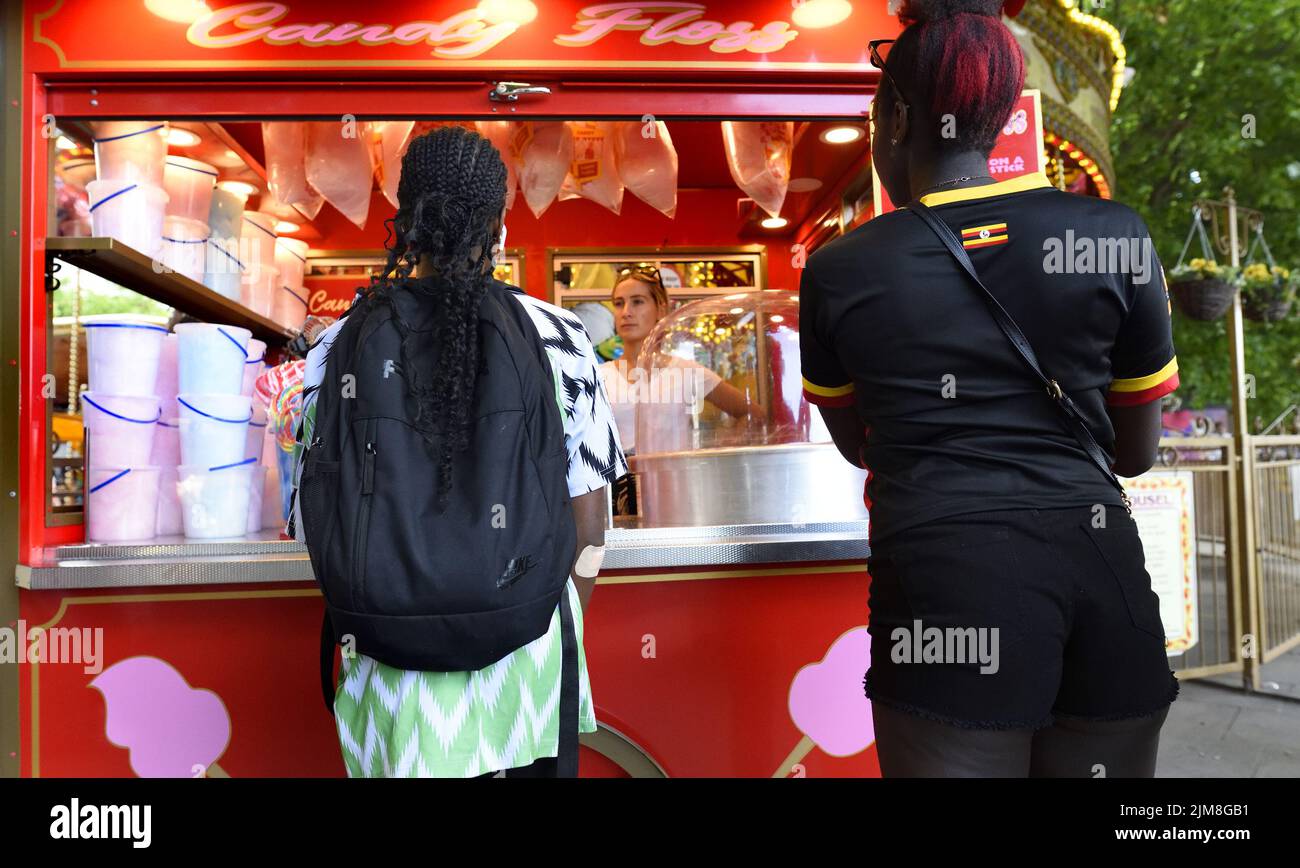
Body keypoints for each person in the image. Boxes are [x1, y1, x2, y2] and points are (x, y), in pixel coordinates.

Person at [799, 0, 1179, 777]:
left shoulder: (843, 269)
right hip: (1104, 569)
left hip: (948, 578)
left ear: (896, 117)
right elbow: (1136, 451)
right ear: (1001, 113)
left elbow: (856, 441)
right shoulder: (1114, 237)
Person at [290, 127, 626, 778]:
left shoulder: (335, 347)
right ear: (499, 224)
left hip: (389, 671)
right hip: (527, 663)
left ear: (406, 223)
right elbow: (590, 519)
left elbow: (310, 518)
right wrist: (548, 617)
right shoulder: (562, 337)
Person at [598, 265, 760, 511]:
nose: (626, 312)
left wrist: (713, 454)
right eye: (619, 303)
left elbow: (752, 414)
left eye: (638, 301)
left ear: (660, 309)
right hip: (618, 499)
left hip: (677, 490)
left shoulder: (686, 371)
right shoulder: (599, 376)